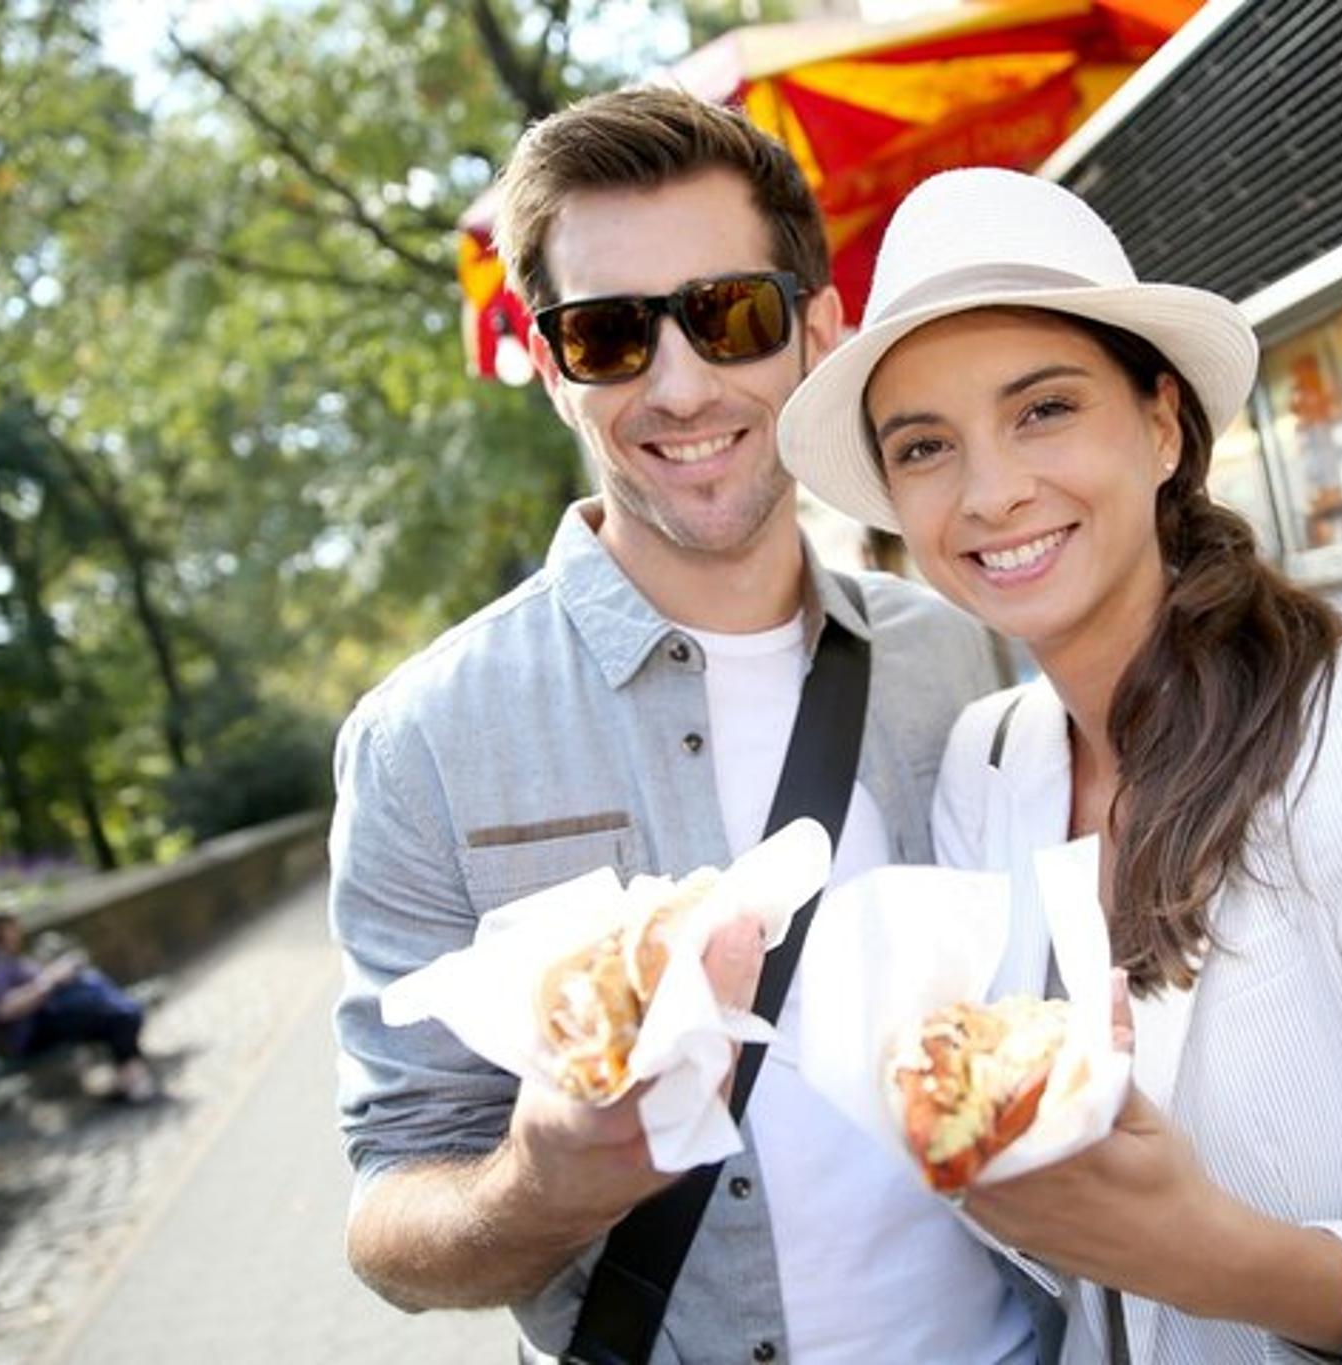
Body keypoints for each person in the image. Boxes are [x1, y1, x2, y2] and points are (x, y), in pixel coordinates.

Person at [778, 167, 1342, 1365]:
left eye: (1042, 409)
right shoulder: (988, 762)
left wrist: (1206, 1255)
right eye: (924, 446)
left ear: (1161, 424)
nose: (991, 491)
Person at [327, 90, 1045, 1365]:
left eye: (730, 315)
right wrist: (538, 1187)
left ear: (817, 332)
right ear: (552, 368)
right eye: (608, 335)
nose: (679, 384)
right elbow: (390, 1210)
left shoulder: (963, 650)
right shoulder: (422, 744)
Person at [0, 911, 157, 1103]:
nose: (19, 933)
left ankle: (131, 1080)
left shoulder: (4, 957)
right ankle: (134, 1082)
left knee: (112, 1006)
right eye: (13, 928)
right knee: (117, 1015)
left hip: (47, 1019)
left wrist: (59, 973)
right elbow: (4, 1010)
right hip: (30, 1032)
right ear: (0, 931)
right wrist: (50, 981)